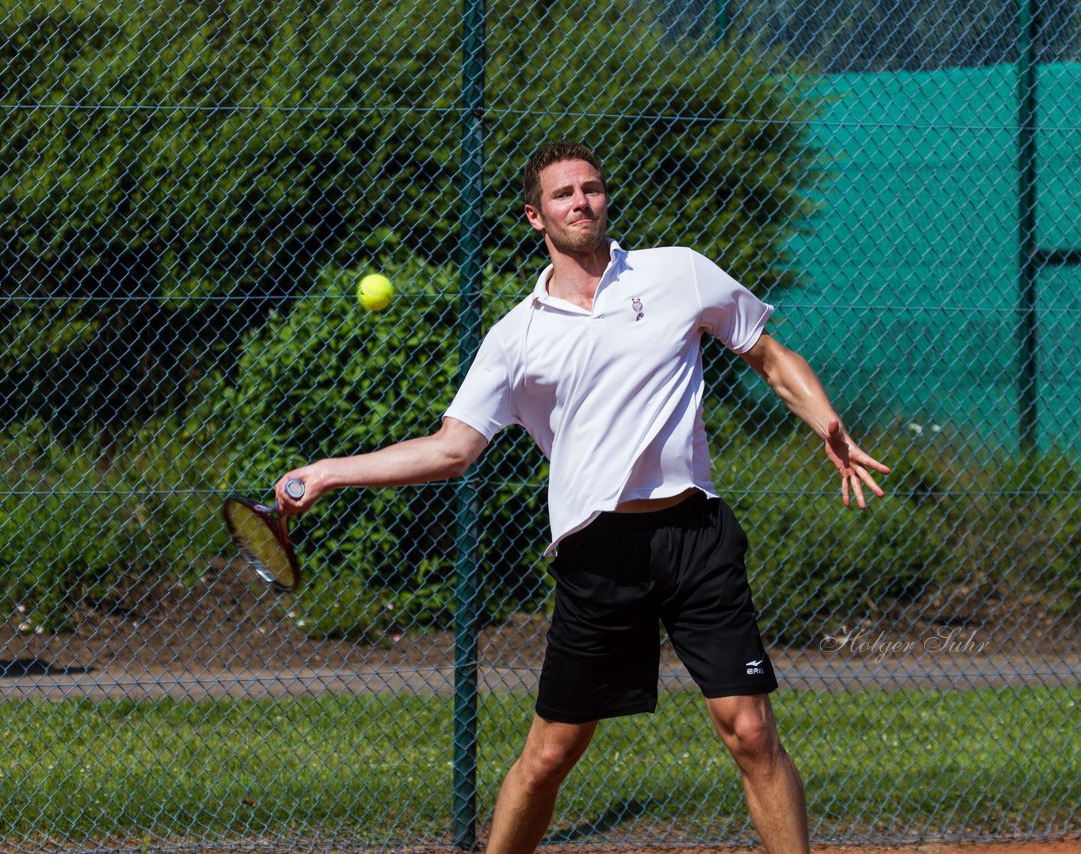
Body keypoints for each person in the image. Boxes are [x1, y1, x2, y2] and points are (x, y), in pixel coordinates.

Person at [275, 140, 890, 854]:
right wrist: (327, 471)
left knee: (752, 732)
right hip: (599, 553)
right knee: (550, 756)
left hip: (696, 534)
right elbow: (451, 448)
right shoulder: (516, 337)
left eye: (592, 189)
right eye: (564, 194)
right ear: (535, 215)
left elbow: (767, 354)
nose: (582, 202)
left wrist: (827, 423)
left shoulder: (678, 274)